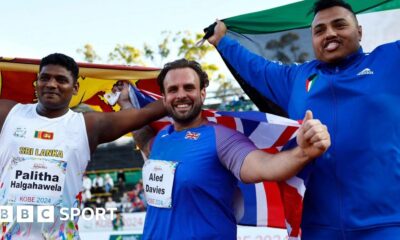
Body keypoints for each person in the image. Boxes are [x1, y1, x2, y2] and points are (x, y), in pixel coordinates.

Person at [207, 0, 400, 238]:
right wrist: (222, 40)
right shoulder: (296, 79)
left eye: (339, 25)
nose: (330, 34)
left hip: (388, 225)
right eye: (320, 30)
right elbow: (256, 67)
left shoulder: (391, 59)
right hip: (316, 228)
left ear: (359, 31)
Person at [118, 58, 330, 239]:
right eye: (173, 89)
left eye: (189, 87)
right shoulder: (162, 138)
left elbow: (265, 166)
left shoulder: (221, 138)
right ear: (164, 99)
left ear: (202, 94)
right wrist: (126, 103)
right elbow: (144, 140)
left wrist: (303, 152)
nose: (181, 95)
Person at [0, 53, 166, 239]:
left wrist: (184, 89)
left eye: (61, 80)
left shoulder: (87, 125)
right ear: (36, 82)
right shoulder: (8, 113)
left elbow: (146, 113)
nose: (51, 84)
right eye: (45, 78)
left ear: (76, 87)